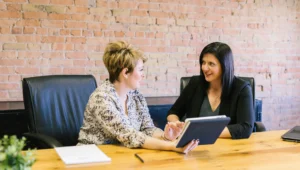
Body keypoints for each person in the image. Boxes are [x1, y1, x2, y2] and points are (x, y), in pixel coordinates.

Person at [78, 41, 199, 153]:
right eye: (140, 70)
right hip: (91, 157)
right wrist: (172, 146)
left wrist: (165, 136)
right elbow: (130, 136)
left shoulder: (136, 96)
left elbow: (148, 128)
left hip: (123, 155)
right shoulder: (101, 99)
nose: (143, 75)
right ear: (125, 72)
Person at [167, 42, 255, 139]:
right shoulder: (195, 84)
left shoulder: (241, 89)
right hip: (194, 146)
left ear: (224, 66)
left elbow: (245, 128)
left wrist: (202, 132)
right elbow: (173, 112)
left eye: (211, 64)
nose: (204, 68)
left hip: (228, 148)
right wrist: (176, 124)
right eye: (203, 62)